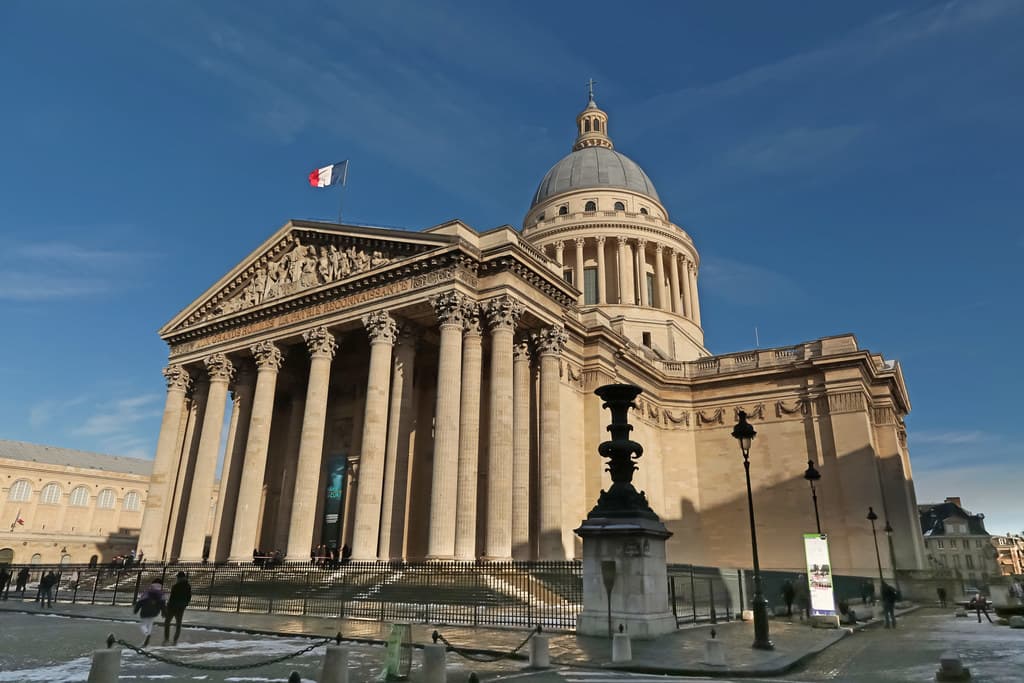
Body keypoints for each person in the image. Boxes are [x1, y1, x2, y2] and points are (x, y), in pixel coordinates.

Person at [134, 580, 165, 647]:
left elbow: (140, 601)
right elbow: (163, 604)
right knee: (150, 624)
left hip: (145, 610)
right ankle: (147, 638)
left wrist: (136, 610)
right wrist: (163, 612)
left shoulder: (147, 592)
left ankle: (147, 634)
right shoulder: (161, 594)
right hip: (155, 611)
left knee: (143, 625)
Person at [164, 571, 192, 645]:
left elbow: (172, 598)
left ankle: (167, 639)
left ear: (179, 578)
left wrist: (168, 607)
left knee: (167, 623)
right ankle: (175, 640)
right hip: (180, 608)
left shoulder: (176, 586)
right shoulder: (188, 586)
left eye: (178, 577)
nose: (177, 579)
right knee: (178, 624)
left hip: (172, 607)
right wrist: (185, 605)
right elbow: (189, 597)